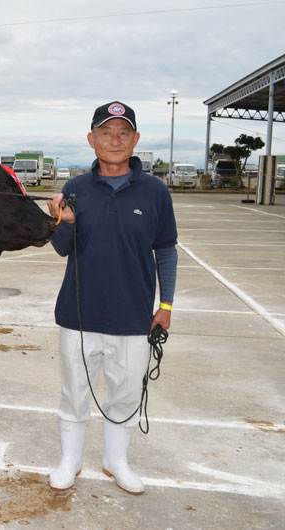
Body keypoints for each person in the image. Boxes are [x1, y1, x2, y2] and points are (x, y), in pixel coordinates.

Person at [45, 101, 178, 495]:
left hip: (133, 316)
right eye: (106, 132)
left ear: (135, 140)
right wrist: (64, 223)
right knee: (74, 392)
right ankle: (70, 460)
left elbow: (166, 250)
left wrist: (165, 306)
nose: (114, 140)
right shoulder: (75, 189)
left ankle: (115, 460)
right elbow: (62, 248)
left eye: (123, 132)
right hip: (78, 315)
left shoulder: (155, 191)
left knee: (124, 394)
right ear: (92, 139)